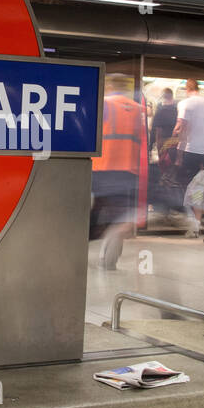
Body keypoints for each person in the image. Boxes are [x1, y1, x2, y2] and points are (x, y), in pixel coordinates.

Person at [90, 74, 148, 270]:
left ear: (109, 85)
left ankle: (77, 249)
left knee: (94, 213)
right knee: (119, 216)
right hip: (128, 171)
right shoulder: (137, 109)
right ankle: (110, 261)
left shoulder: (105, 104)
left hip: (101, 169)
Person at [172, 79, 204, 192]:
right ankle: (197, 205)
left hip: (189, 150)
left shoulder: (185, 103)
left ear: (187, 89)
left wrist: (178, 156)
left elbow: (182, 128)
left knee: (186, 181)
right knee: (200, 182)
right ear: (198, 89)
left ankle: (186, 207)